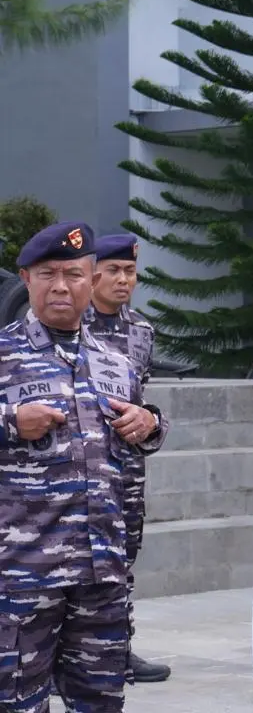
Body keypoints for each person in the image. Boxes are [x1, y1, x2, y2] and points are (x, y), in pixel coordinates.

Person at [0, 222, 167, 712]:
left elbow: (141, 431)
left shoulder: (115, 359)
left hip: (101, 571)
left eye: (73, 274)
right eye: (47, 274)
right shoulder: (4, 355)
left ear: (90, 277)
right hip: (24, 571)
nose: (61, 286)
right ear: (25, 278)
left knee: (100, 701)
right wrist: (11, 421)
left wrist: (150, 423)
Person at [82, 232, 171, 684]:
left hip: (125, 466)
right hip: (77, 466)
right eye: (113, 270)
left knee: (122, 559)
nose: (122, 280)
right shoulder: (70, 324)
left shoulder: (142, 331)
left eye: (130, 272)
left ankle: (117, 648)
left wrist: (147, 421)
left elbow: (140, 395)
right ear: (93, 273)